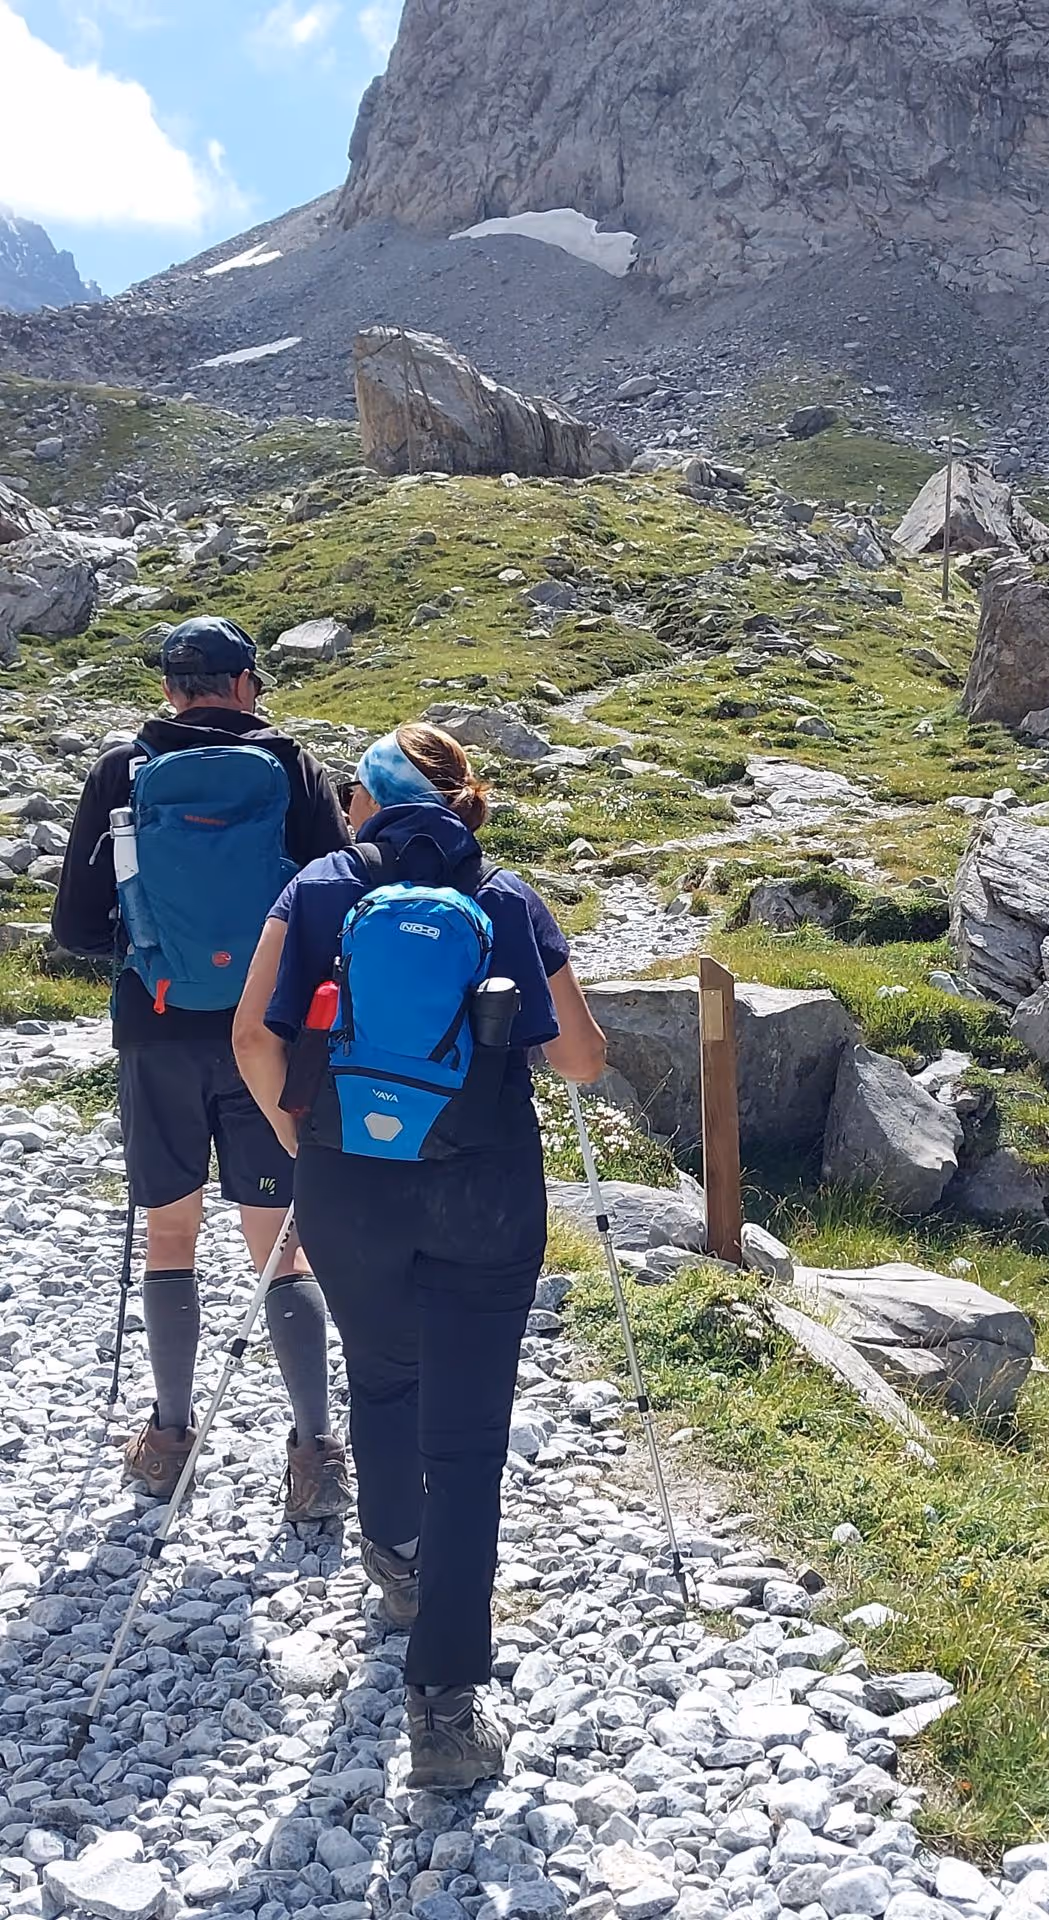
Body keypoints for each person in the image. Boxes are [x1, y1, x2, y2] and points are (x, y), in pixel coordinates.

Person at [233, 721, 607, 1790]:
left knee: (381, 1373)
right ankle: (444, 1709)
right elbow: (581, 1062)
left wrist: (306, 1143)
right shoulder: (505, 896)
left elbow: (253, 1038)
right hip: (484, 1187)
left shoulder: (316, 889)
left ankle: (395, 1557)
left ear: (371, 800)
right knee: (472, 1441)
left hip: (348, 1181)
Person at [52, 616, 355, 1521]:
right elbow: (338, 903)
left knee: (171, 1234)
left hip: (156, 1030)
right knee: (281, 1246)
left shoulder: (124, 771)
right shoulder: (294, 768)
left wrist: (145, 945)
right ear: (245, 684)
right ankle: (315, 1458)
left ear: (171, 688)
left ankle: (169, 1442)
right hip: (267, 1036)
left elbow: (74, 927)